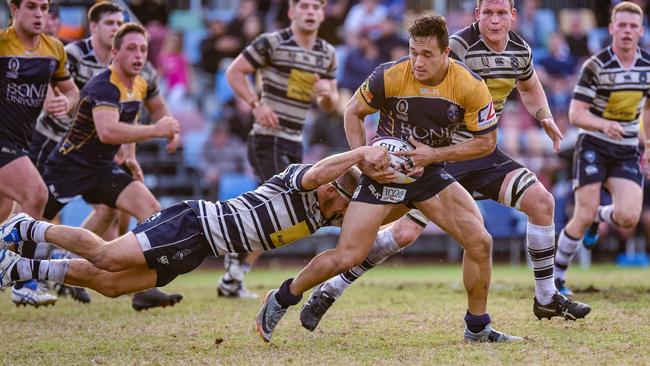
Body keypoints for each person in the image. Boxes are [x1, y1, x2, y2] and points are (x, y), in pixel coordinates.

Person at [298, 0, 592, 332]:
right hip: (440, 152)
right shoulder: (454, 46)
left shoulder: (520, 49)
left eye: (501, 13)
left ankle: (546, 297)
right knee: (403, 233)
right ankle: (330, 289)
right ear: (476, 15)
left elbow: (529, 85)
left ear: (513, 16)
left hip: (480, 149)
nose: (494, 21)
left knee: (542, 202)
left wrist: (545, 115)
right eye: (488, 13)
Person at [257, 14, 523, 343]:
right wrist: (363, 160)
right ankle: (282, 298)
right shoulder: (390, 74)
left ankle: (478, 327)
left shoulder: (469, 84)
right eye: (413, 52)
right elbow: (352, 111)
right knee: (348, 256)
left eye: (426, 55)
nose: (418, 61)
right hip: (383, 176)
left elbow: (487, 142)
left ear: (446, 54)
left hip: (430, 176)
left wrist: (434, 156)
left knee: (480, 242)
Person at [0, 146, 388, 299]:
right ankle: (26, 227)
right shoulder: (301, 181)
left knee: (111, 285)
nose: (340, 207)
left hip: (201, 249)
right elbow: (320, 172)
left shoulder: (326, 213)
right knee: (106, 257)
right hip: (194, 223)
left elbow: (375, 216)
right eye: (341, 198)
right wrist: (360, 153)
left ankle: (20, 268)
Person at [28, 2, 183, 310]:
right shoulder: (101, 82)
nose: (139, 56)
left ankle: (142, 288)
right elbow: (108, 131)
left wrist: (132, 154)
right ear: (114, 51)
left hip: (102, 167)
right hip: (67, 163)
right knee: (29, 224)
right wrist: (158, 130)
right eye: (132, 49)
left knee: (150, 210)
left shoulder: (140, 79)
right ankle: (29, 270)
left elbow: (135, 115)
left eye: (143, 49)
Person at [220, 0, 339, 299]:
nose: (311, 12)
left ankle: (233, 272)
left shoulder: (326, 53)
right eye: (305, 6)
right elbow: (234, 72)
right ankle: (233, 268)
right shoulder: (271, 42)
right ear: (291, 11)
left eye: (316, 7)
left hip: (295, 140)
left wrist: (325, 96)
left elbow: (331, 103)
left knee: (284, 213)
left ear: (323, 14)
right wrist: (256, 105)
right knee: (279, 209)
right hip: (267, 138)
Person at [554, 1, 650, 294]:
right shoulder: (594, 66)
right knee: (582, 214)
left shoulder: (647, 66)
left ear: (641, 31)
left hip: (626, 148)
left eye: (633, 26)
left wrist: (647, 143)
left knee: (628, 217)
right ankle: (556, 277)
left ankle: (600, 215)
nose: (627, 31)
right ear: (611, 29)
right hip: (594, 143)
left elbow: (647, 108)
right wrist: (602, 124)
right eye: (622, 25)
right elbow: (576, 114)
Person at [1, 0, 79, 306]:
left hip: (20, 141)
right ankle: (23, 281)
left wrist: (66, 103)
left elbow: (71, 90)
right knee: (36, 194)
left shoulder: (54, 49)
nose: (38, 14)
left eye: (43, 7)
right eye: (31, 6)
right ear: (14, 9)